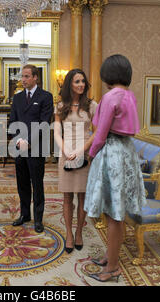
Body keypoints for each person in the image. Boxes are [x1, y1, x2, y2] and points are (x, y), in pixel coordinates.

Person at [84, 54, 146, 282]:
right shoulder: (130, 96)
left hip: (111, 153)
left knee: (112, 214)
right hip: (127, 151)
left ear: (107, 75)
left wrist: (90, 155)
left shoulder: (110, 97)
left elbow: (100, 133)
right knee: (117, 214)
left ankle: (112, 267)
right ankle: (111, 258)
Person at [54, 69, 97, 253]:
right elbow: (56, 131)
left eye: (83, 81)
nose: (81, 84)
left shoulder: (92, 105)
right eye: (77, 81)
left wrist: (81, 150)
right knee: (67, 196)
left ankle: (79, 232)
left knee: (82, 196)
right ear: (69, 84)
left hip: (84, 154)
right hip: (66, 153)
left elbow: (97, 132)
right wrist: (66, 150)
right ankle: (69, 234)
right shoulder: (60, 106)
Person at [9, 64, 54, 233]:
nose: (23, 80)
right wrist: (19, 140)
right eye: (22, 76)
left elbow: (44, 123)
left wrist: (29, 140)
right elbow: (13, 121)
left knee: (37, 184)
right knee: (22, 183)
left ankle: (38, 219)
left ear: (36, 77)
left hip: (37, 147)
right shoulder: (18, 98)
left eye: (27, 76)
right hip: (20, 147)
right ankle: (25, 215)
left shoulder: (46, 96)